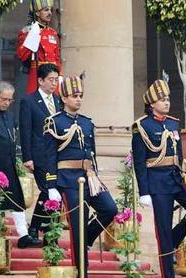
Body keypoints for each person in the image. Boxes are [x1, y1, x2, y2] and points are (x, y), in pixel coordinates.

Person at [43, 75, 118, 278]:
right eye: (74, 96)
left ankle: (86, 239)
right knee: (77, 225)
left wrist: (94, 173)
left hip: (89, 177)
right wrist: (51, 185)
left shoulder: (87, 123)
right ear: (64, 98)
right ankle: (81, 273)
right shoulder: (54, 122)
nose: (78, 99)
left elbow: (91, 152)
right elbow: (49, 156)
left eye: (81, 95)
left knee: (110, 208)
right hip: (68, 179)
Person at [131, 79, 186, 278]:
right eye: (162, 100)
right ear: (152, 103)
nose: (167, 102)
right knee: (162, 230)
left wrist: (184, 177)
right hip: (157, 183)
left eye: (168, 99)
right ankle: (167, 273)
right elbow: (140, 162)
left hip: (175, 179)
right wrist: (144, 192)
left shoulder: (173, 123)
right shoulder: (141, 126)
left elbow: (179, 155)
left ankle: (174, 239)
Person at [0, 81, 41, 248]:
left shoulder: (10, 115)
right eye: (4, 99)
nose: (7, 103)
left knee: (17, 199)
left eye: (10, 100)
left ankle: (23, 235)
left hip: (9, 163)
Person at [19, 63, 61, 242]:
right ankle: (38, 227)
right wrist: (27, 157)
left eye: (56, 80)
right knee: (47, 189)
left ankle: (42, 228)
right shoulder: (29, 101)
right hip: (38, 154)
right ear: (40, 80)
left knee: (54, 190)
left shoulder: (58, 100)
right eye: (50, 80)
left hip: (57, 155)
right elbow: (25, 130)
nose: (54, 84)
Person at [16, 0, 61, 94]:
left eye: (50, 10)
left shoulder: (53, 33)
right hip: (37, 75)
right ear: (37, 12)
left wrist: (59, 76)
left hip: (53, 76)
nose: (49, 13)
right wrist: (33, 35)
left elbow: (57, 59)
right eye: (46, 10)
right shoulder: (27, 31)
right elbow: (21, 55)